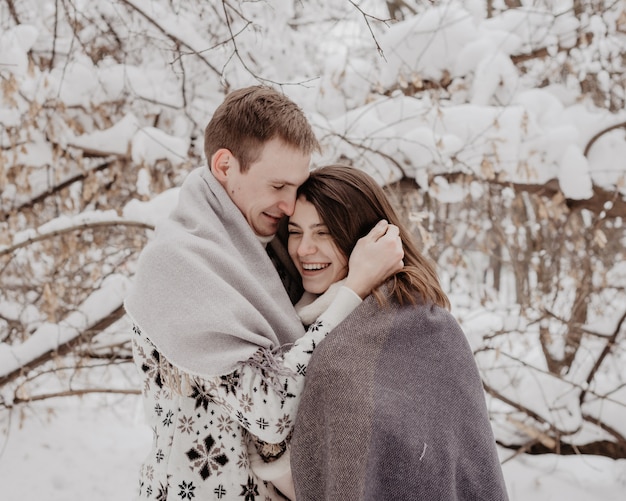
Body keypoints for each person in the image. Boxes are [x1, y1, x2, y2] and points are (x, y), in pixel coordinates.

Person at [124, 87, 404, 500]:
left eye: (297, 187)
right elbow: (269, 411)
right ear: (225, 165)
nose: (290, 205)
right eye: (278, 186)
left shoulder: (261, 251)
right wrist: (355, 287)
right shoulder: (177, 266)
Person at [281, 165, 510, 500]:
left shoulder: (425, 327)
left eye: (324, 232)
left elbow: (459, 462)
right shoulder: (294, 321)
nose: (303, 250)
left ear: (364, 237)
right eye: (295, 232)